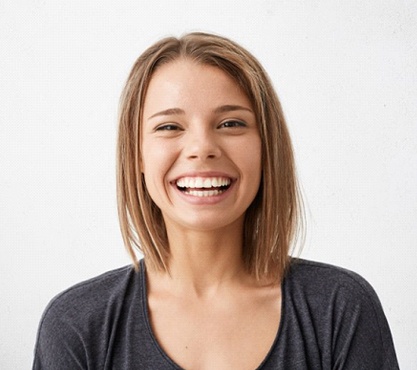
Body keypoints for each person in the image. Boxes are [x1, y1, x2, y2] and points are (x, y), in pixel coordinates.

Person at [32, 32, 399, 370]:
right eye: (169, 127)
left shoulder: (341, 309)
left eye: (230, 124)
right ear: (137, 156)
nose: (202, 148)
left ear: (266, 148)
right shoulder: (76, 326)